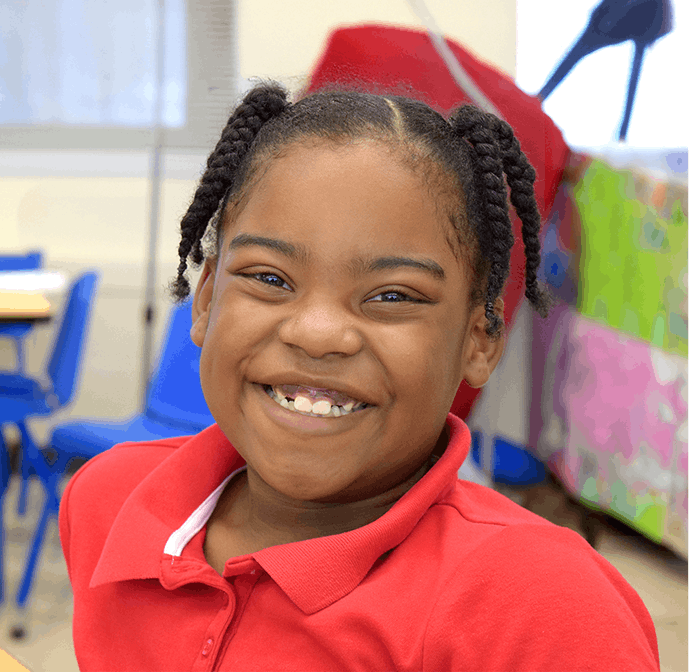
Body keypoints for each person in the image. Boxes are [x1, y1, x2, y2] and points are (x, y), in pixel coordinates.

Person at [59, 84, 660, 671]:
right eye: (269, 278)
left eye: (393, 295)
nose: (317, 333)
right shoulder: (108, 502)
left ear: (479, 341)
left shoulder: (545, 607)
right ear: (207, 299)